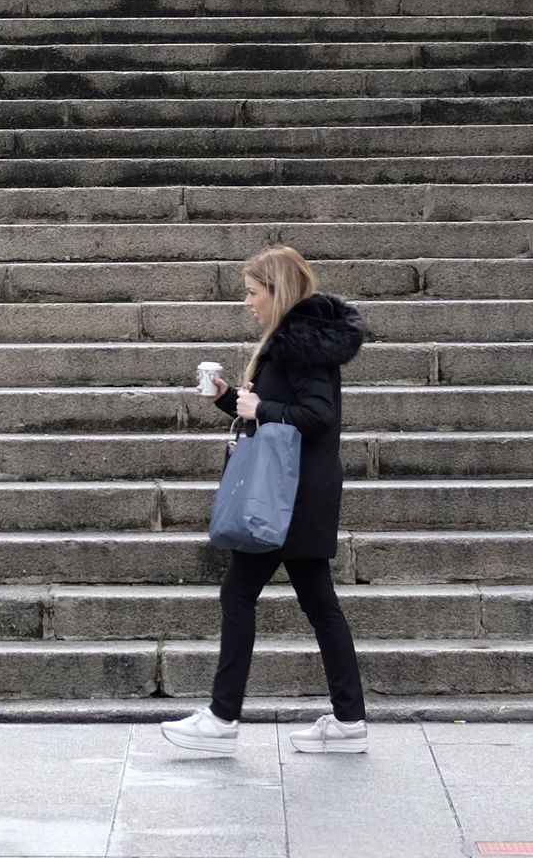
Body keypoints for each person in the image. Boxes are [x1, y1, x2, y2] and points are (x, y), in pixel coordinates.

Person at [160, 245, 369, 755]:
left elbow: (317, 415)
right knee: (320, 606)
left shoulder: (299, 345)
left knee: (238, 595)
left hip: (286, 498)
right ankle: (348, 721)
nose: (248, 302)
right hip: (298, 493)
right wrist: (228, 398)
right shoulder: (298, 342)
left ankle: (223, 718)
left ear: (277, 292)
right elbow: (277, 415)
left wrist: (263, 406)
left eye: (253, 293)